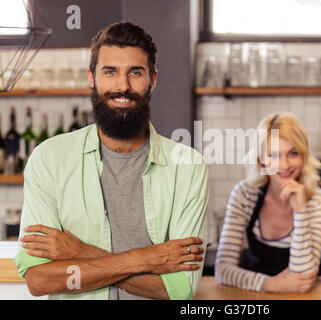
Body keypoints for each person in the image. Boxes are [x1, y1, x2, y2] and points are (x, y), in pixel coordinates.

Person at [15, 22, 209, 300]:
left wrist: (80, 253)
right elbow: (40, 280)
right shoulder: (49, 159)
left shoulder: (189, 167)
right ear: (91, 78)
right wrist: (148, 259)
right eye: (110, 72)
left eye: (135, 72)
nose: (123, 86)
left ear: (152, 80)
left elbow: (179, 289)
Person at [215, 112, 321, 293]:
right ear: (261, 160)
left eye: (293, 153)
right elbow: (222, 269)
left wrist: (300, 211)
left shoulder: (318, 202)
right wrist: (269, 284)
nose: (284, 165)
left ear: (304, 155)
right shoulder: (244, 194)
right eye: (273, 155)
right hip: (252, 297)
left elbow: (303, 277)